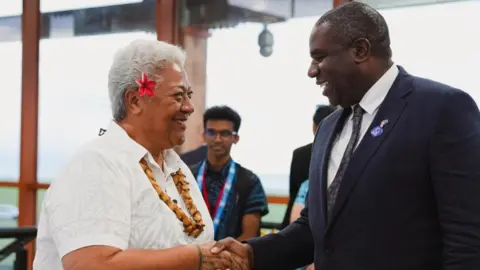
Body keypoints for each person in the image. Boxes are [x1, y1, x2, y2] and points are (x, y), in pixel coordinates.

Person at [211, 2, 480, 270]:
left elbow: (467, 237)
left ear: (360, 50)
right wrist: (250, 254)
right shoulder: (328, 128)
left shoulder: (442, 109)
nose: (311, 71)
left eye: (319, 57)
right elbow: (316, 230)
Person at [33, 40, 246, 270]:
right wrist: (195, 257)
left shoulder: (176, 168)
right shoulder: (97, 164)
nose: (189, 107)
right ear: (135, 101)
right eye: (178, 96)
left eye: (189, 95)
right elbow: (90, 264)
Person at [189, 106, 269, 241]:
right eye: (211, 132)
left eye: (225, 133)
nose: (217, 139)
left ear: (236, 138)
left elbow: (249, 237)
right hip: (188, 257)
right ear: (203, 136)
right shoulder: (187, 175)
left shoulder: (249, 181)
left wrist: (218, 257)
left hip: (230, 259)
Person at [281, 105, 335, 229]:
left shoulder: (300, 154)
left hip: (295, 220)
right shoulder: (340, 152)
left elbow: (293, 191)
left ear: (314, 126)